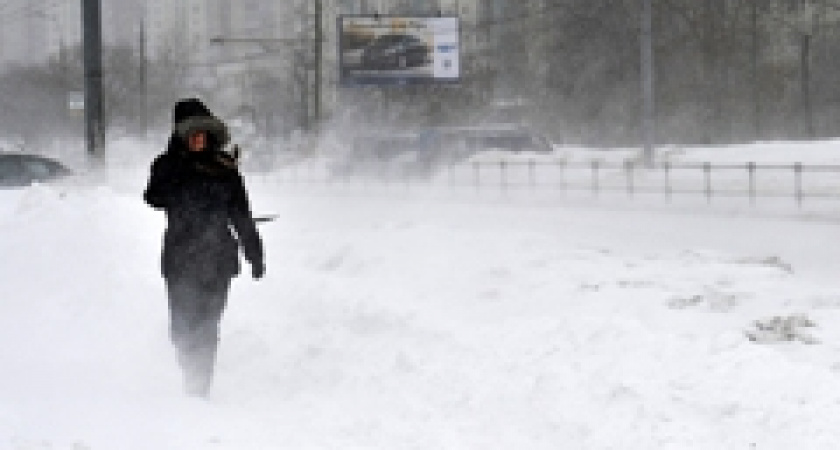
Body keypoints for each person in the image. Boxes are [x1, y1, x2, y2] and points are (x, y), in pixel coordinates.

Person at [144, 98, 265, 397]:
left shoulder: (225, 169)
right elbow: (153, 197)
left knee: (208, 325)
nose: (199, 139)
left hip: (218, 259)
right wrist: (180, 165)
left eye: (203, 133)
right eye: (192, 134)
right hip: (180, 260)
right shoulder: (166, 166)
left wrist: (254, 253)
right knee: (182, 329)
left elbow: (241, 214)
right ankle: (189, 372)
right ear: (181, 136)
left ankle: (199, 387)